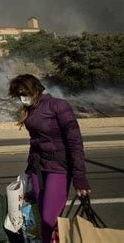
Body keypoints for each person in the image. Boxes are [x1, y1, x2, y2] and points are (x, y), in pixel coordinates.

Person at [8, 74, 91, 243]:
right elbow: (36, 141)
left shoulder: (58, 105)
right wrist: (29, 168)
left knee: (48, 219)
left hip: (58, 167)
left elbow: (75, 141)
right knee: (43, 220)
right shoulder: (31, 109)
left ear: (36, 89)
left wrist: (80, 178)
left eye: (24, 92)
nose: (22, 97)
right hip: (38, 168)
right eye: (19, 94)